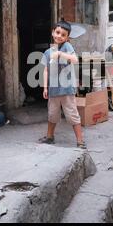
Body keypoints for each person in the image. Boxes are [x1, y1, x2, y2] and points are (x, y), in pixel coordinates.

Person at [38, 21, 86, 149]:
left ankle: (80, 141)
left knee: (72, 114)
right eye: (57, 32)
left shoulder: (67, 47)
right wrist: (45, 87)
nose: (59, 36)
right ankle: (49, 137)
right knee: (52, 114)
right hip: (53, 90)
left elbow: (75, 59)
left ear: (67, 37)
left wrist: (59, 54)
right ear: (53, 32)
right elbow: (45, 70)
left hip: (66, 90)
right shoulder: (48, 52)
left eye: (63, 35)